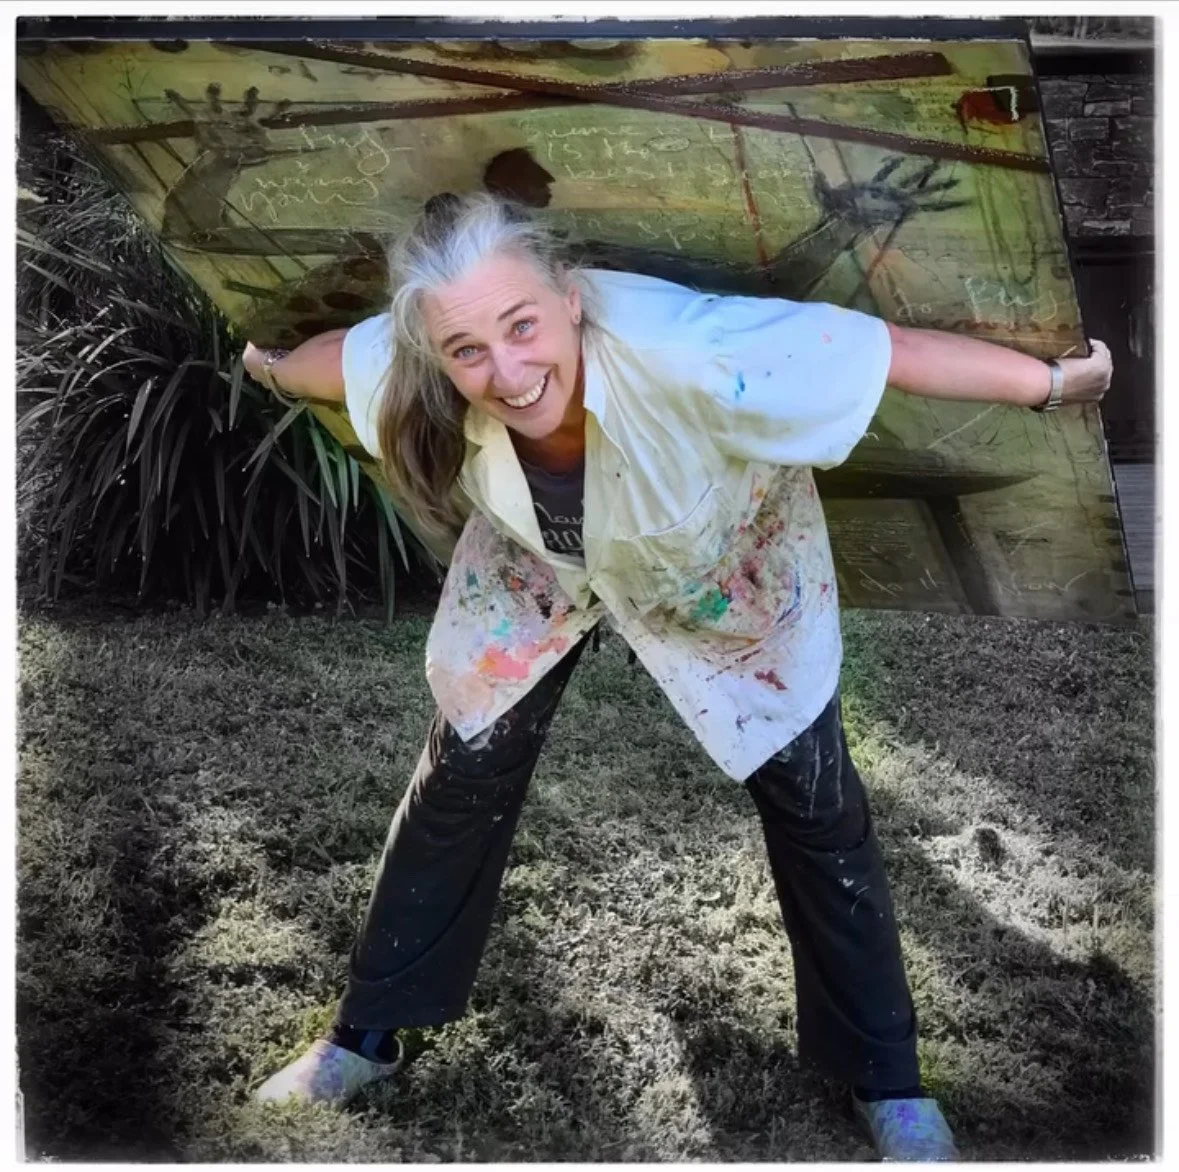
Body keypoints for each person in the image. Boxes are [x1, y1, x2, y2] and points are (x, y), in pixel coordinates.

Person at [241, 192, 1112, 1160]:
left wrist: (1049, 384)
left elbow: (884, 348)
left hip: (722, 563)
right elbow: (337, 362)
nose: (509, 371)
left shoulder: (698, 346)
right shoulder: (429, 351)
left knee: (817, 800)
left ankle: (886, 1078)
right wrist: (273, 367)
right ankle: (365, 1034)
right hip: (539, 560)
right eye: (469, 350)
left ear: (570, 298)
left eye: (523, 325)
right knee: (461, 772)